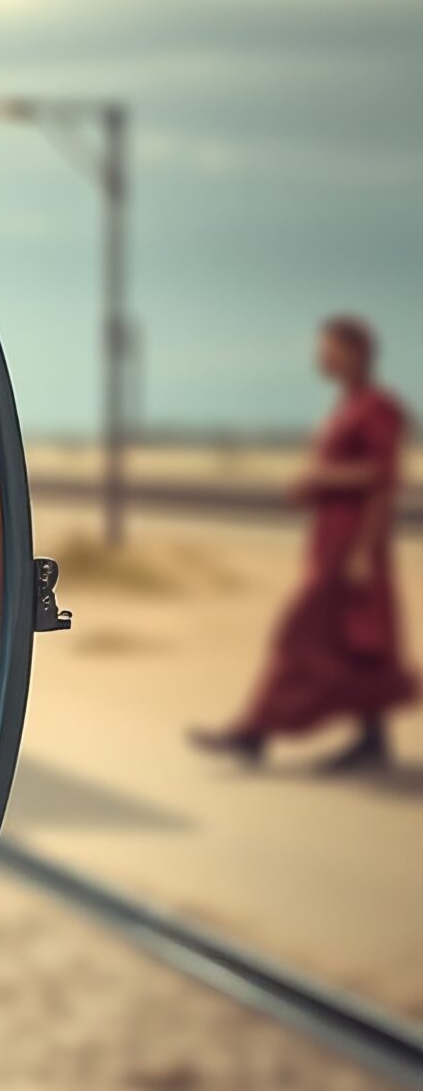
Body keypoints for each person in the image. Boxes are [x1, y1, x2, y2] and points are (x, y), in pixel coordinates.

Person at [193, 314, 413, 771]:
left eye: (329, 349)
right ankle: (373, 738)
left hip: (352, 545)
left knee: (302, 636)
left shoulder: (378, 408)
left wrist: (357, 546)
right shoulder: (349, 406)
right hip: (332, 539)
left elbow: (383, 478)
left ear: (354, 352)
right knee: (350, 643)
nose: (321, 358)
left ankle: (253, 732)